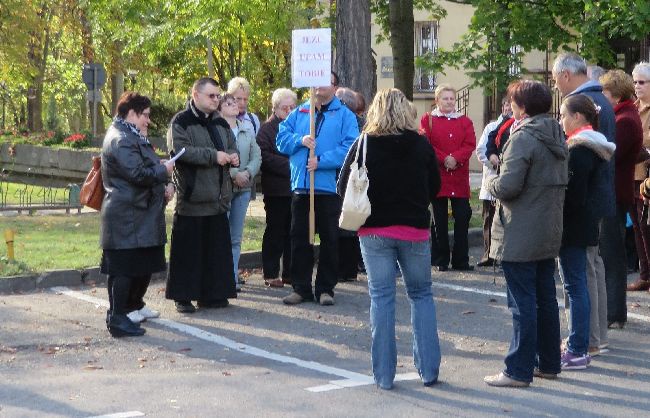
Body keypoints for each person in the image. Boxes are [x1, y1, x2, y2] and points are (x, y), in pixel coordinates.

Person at [338, 88, 441, 390]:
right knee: (421, 295)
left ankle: (384, 375)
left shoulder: (364, 143)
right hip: (414, 229)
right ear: (407, 110)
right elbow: (434, 186)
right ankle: (429, 370)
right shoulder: (421, 145)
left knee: (381, 298)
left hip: (374, 229)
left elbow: (342, 184)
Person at [484, 80, 567, 387]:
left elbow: (507, 186)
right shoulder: (556, 131)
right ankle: (548, 362)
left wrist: (491, 182)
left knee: (522, 304)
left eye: (513, 102)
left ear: (522, 106)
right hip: (547, 227)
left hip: (520, 229)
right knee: (545, 299)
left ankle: (518, 370)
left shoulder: (523, 137)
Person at [552, 53, 624, 329]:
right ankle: (596, 334)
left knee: (583, 273)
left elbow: (585, 163)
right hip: (600, 195)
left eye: (556, 80)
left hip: (586, 201)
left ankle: (587, 336)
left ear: (566, 75)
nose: (557, 86)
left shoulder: (587, 103)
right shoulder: (602, 100)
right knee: (593, 268)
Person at [276, 71, 359, 306]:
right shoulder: (301, 111)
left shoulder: (345, 115)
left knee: (330, 239)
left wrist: (321, 161)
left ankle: (325, 288)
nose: (318, 86)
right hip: (302, 187)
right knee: (299, 238)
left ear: (335, 86)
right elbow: (281, 138)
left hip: (328, 188)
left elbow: (350, 148)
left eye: (325, 82)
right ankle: (300, 287)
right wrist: (299, 141)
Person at [100, 92, 174, 337]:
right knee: (123, 269)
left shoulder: (129, 135)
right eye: (145, 115)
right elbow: (138, 174)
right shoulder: (121, 139)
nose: (148, 121)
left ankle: (127, 311)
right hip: (126, 215)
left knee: (138, 266)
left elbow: (144, 169)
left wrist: (163, 179)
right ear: (131, 113)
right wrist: (163, 170)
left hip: (137, 213)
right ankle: (118, 318)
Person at [166, 77, 240, 313]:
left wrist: (233, 155)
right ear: (195, 95)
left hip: (218, 199)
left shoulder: (220, 122)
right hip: (193, 198)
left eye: (218, 96)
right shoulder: (181, 122)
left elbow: (231, 144)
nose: (216, 100)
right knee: (189, 251)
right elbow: (181, 152)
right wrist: (214, 156)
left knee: (215, 251)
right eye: (211, 96)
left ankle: (213, 294)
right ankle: (184, 297)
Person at [558, 94, 615, 369]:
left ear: (578, 117)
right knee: (580, 282)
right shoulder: (593, 144)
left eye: (563, 115)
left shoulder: (580, 150)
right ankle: (584, 340)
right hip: (586, 221)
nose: (561, 120)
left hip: (576, 225)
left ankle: (578, 345)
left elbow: (574, 196)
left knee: (575, 286)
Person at [599, 69, 642, 341]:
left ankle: (615, 312)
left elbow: (609, 154)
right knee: (608, 253)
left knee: (612, 256)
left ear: (614, 94)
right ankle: (612, 310)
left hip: (615, 193)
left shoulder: (625, 120)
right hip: (614, 192)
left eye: (603, 92)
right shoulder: (621, 116)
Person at [419, 84, 476, 272]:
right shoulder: (427, 120)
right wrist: (444, 159)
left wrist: (456, 159)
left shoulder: (465, 121)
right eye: (445, 98)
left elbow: (469, 144)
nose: (450, 102)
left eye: (452, 98)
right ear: (437, 100)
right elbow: (426, 144)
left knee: (462, 217)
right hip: (438, 175)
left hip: (459, 176)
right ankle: (440, 259)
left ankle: (461, 259)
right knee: (439, 219)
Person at [220, 93, 261, 292]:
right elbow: (221, 156)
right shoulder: (217, 129)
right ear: (220, 109)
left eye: (235, 102)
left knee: (236, 237)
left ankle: (232, 276)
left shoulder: (246, 128)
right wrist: (235, 173)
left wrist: (248, 172)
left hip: (244, 187)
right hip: (224, 188)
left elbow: (256, 155)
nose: (234, 105)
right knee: (221, 235)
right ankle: (221, 277)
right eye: (228, 103)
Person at [257, 88, 297, 288]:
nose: (289, 111)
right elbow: (264, 157)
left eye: (292, 107)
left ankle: (290, 273)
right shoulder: (267, 129)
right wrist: (291, 165)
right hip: (276, 189)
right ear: (276, 108)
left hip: (296, 189)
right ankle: (271, 272)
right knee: (276, 231)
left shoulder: (298, 126)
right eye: (285, 108)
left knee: (293, 231)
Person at [475, 97, 511, 267]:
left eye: (511, 105)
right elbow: (481, 150)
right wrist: (493, 161)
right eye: (505, 105)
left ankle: (504, 255)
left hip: (507, 181)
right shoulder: (492, 127)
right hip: (492, 178)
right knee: (488, 218)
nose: (507, 108)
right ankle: (488, 254)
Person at [335, 86, 363, 282]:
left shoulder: (350, 121)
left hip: (347, 177)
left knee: (345, 222)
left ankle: (346, 268)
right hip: (350, 177)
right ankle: (349, 268)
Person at [627, 62, 650, 294]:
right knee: (637, 227)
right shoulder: (633, 107)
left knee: (646, 226)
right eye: (634, 82)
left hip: (648, 178)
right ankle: (645, 275)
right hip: (632, 176)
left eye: (641, 82)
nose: (637, 86)